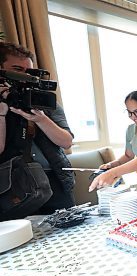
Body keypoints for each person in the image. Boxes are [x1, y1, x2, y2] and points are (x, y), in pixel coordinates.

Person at [0, 42, 75, 214]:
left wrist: (40, 119)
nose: (25, 77)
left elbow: (66, 141)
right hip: (15, 186)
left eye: (29, 72)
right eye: (17, 70)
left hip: (56, 179)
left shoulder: (43, 101)